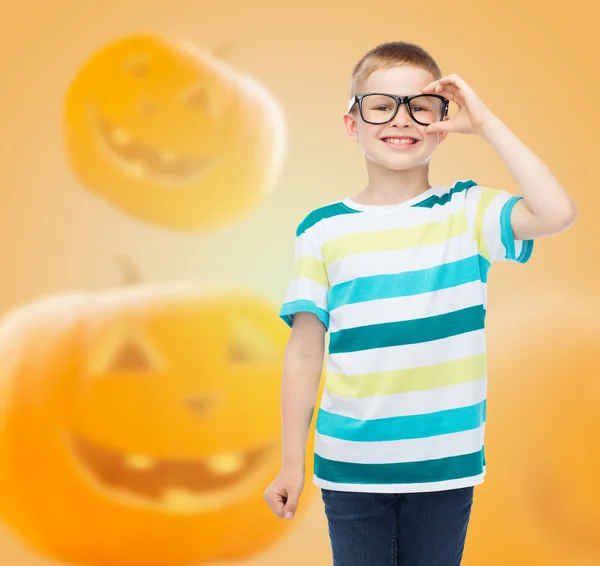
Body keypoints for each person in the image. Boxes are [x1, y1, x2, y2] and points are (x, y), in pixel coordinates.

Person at [263, 41, 577, 566]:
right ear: (352, 123)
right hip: (350, 465)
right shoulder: (322, 229)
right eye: (381, 105)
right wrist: (291, 463)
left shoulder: (467, 211)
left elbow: (557, 212)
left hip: (446, 466)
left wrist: (488, 123)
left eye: (420, 106)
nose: (400, 119)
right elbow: (303, 352)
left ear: (441, 121)